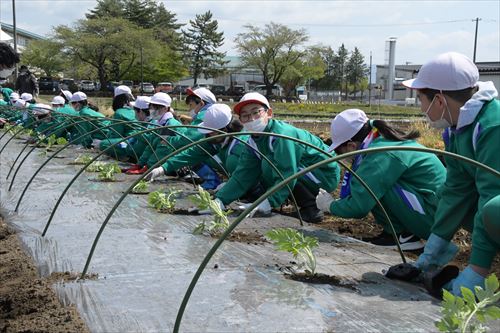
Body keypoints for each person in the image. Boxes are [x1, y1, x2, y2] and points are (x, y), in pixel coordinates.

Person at [388, 52, 500, 297]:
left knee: (491, 208)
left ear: (439, 100)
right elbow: (456, 191)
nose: (420, 107)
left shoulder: (492, 127)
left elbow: (491, 194)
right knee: (451, 198)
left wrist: (476, 272)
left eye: (420, 99)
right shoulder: (458, 128)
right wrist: (431, 254)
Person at [315, 109, 446, 250]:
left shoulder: (380, 154)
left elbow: (358, 207)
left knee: (372, 185)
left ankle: (405, 235)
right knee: (373, 182)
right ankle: (396, 234)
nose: (340, 155)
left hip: (435, 221)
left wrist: (330, 205)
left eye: (339, 151)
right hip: (434, 209)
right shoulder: (379, 140)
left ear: (351, 145)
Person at [213, 92, 341, 223]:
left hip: (323, 174)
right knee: (265, 166)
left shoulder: (281, 136)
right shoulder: (253, 140)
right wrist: (219, 200)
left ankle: (311, 208)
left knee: (269, 166)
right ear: (241, 120)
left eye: (256, 112)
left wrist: (268, 202)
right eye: (245, 115)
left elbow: (287, 173)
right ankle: (294, 201)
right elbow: (243, 173)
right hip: (304, 171)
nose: (251, 119)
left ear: (269, 113)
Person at [145, 104, 256, 198]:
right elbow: (191, 153)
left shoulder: (240, 146)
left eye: (211, 132)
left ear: (225, 130)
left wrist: (226, 190)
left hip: (256, 188)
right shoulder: (216, 140)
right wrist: (163, 168)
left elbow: (245, 176)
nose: (207, 135)